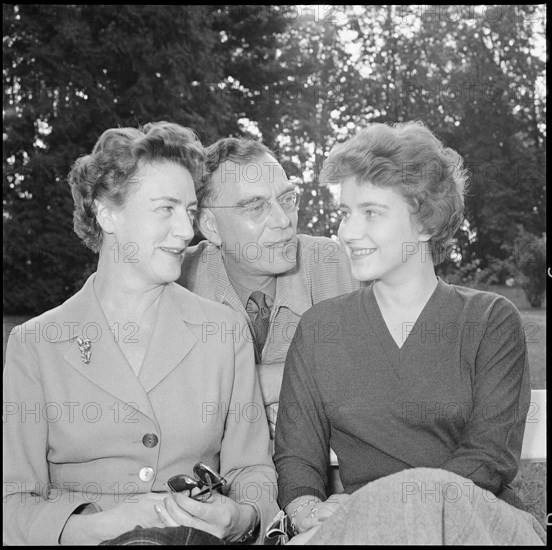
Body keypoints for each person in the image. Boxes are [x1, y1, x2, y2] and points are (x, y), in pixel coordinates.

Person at [3, 122, 278, 545]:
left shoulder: (223, 333)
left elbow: (253, 471)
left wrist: (241, 517)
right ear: (106, 212)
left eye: (189, 212)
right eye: (165, 208)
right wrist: (95, 527)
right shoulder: (35, 345)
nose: (187, 232)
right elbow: (13, 501)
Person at [273, 121, 546, 544]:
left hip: (478, 521)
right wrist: (308, 510)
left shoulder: (490, 320)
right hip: (360, 528)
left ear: (426, 222)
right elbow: (297, 457)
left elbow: (488, 458)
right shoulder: (319, 329)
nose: (347, 231)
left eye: (372, 213)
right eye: (346, 213)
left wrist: (384, 509)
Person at [177, 138, 360, 436]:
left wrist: (234, 386)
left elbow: (382, 370)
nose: (283, 220)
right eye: (255, 207)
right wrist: (306, 375)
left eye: (287, 199)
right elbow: (174, 398)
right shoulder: (176, 279)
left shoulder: (339, 265)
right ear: (210, 226)